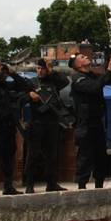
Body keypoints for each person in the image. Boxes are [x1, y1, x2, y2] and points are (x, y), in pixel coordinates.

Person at [0, 61, 35, 196]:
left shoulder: (9, 86)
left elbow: (27, 86)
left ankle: (8, 186)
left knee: (8, 157)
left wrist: (12, 73)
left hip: (9, 126)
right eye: (1, 72)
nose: (3, 74)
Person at [69, 51, 111, 189]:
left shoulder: (92, 76)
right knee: (85, 156)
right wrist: (108, 69)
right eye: (82, 57)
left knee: (100, 156)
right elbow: (95, 88)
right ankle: (82, 187)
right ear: (77, 65)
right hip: (84, 124)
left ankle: (99, 186)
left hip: (97, 122)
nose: (86, 56)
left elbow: (107, 79)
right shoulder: (78, 79)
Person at [24, 59, 70, 193]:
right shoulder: (31, 83)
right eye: (38, 68)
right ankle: (29, 185)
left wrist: (52, 71)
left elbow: (65, 81)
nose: (40, 71)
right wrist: (29, 95)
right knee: (33, 155)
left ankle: (51, 183)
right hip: (36, 122)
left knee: (51, 155)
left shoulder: (53, 81)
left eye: (42, 68)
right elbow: (20, 96)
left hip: (52, 122)